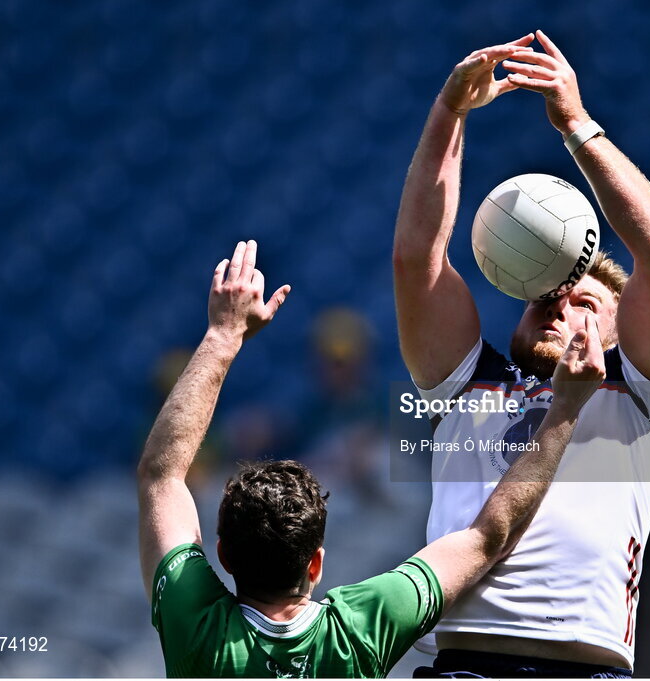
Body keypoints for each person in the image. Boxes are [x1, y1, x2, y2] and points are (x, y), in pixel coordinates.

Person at [137, 239, 608, 677]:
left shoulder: (193, 623)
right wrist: (564, 409)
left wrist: (223, 335)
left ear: (223, 556)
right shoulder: (360, 628)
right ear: (316, 564)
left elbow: (162, 476)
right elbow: (490, 535)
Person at [392, 31, 650, 677]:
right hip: (461, 665)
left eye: (584, 299)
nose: (559, 303)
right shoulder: (465, 384)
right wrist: (449, 114)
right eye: (544, 296)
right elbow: (418, 259)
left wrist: (576, 125)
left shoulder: (644, 403)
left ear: (623, 328)